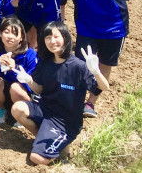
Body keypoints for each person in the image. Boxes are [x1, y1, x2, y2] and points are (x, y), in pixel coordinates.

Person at [55, 0, 135, 117]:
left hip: (113, 26)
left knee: (105, 64)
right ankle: (75, 100)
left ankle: (91, 102)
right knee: (81, 63)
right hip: (87, 25)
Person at [11, 21, 109, 165]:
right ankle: (45, 139)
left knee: (36, 158)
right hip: (45, 110)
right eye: (48, 37)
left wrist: (96, 71)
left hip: (65, 121)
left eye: (56, 37)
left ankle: (60, 149)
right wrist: (29, 81)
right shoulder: (45, 62)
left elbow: (104, 87)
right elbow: (39, 90)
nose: (52, 41)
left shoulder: (78, 66)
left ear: (65, 38)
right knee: (17, 108)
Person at [0, 16, 37, 125]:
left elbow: (35, 86)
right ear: (0, 34)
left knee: (15, 88)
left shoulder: (30, 54)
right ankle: (1, 110)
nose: (10, 36)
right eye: (6, 32)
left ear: (22, 37)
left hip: (23, 97)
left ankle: (22, 116)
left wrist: (14, 69)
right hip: (2, 95)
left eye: (15, 33)